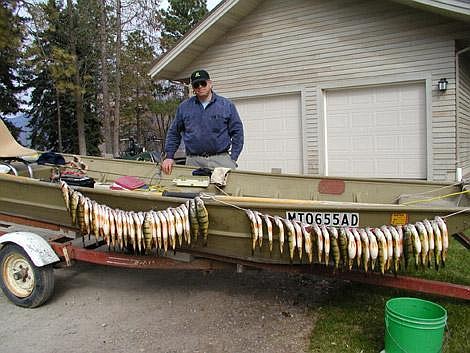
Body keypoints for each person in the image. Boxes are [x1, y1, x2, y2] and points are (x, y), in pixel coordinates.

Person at [161, 69, 244, 175]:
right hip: (193, 161)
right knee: (191, 191)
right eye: (196, 85)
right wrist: (169, 157)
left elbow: (238, 132)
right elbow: (174, 133)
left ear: (210, 83)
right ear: (193, 88)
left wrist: (233, 158)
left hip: (221, 160)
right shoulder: (184, 107)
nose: (200, 87)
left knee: (226, 191)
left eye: (203, 83)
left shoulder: (226, 105)